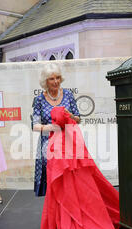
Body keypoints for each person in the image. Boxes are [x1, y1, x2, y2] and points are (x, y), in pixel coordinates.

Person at [32, 63, 80, 196]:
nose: (56, 81)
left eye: (58, 77)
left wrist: (70, 116)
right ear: (45, 81)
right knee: (53, 179)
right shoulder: (39, 100)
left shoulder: (68, 95)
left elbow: (78, 119)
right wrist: (51, 128)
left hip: (68, 141)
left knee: (69, 179)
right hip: (48, 143)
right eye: (52, 79)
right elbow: (35, 125)